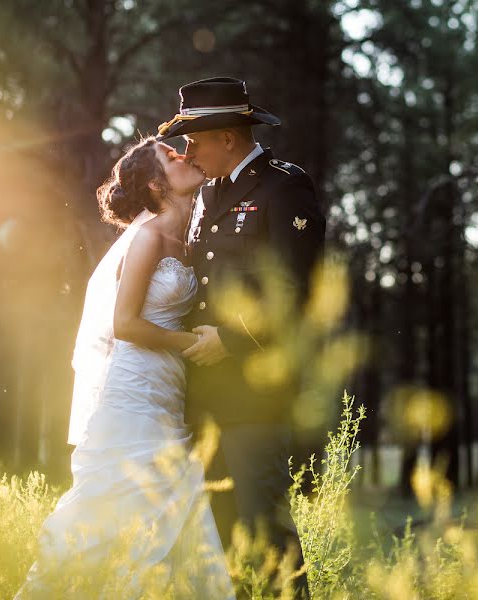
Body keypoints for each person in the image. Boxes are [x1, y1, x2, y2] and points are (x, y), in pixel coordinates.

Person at [15, 137, 234, 599]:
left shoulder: (192, 238)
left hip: (168, 391)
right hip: (133, 390)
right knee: (112, 511)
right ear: (157, 185)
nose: (185, 155)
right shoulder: (148, 235)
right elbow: (125, 324)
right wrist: (193, 344)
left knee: (173, 515)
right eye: (172, 157)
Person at [156, 76, 326, 598]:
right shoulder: (208, 194)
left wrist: (231, 338)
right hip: (205, 393)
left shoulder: (283, 185)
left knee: (266, 530)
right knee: (222, 535)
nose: (189, 152)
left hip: (255, 390)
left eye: (195, 140)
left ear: (227, 138)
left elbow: (297, 289)